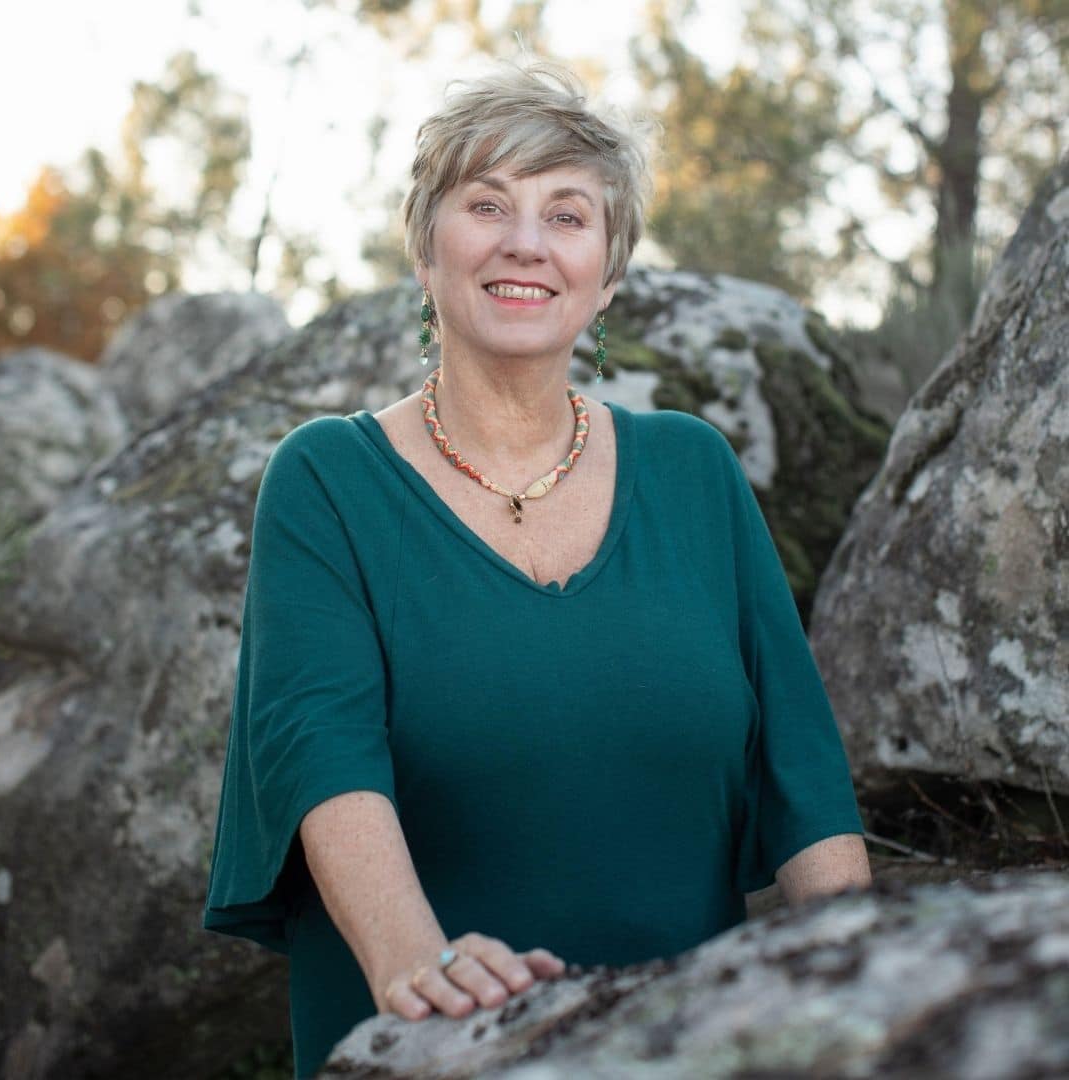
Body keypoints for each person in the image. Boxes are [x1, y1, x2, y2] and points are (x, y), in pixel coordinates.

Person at [203, 59, 872, 1079]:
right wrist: (418, 968)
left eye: (567, 215)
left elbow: (805, 783)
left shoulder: (693, 471)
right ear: (424, 248)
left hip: (680, 1048)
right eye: (487, 204)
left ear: (609, 274)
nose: (526, 242)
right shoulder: (327, 479)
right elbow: (320, 756)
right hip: (428, 1044)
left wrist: (868, 994)